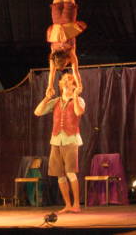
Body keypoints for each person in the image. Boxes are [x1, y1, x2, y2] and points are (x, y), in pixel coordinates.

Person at [34, 73, 85, 213]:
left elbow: (78, 112)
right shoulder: (56, 101)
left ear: (75, 85)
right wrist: (47, 97)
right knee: (59, 174)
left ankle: (76, 205)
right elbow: (37, 112)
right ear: (61, 84)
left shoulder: (79, 100)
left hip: (71, 140)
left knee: (70, 173)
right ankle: (67, 205)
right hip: (56, 140)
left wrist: (74, 96)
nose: (67, 82)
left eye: (70, 81)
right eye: (65, 80)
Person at [46, 0, 86, 99]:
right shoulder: (53, 55)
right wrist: (49, 86)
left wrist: (80, 85)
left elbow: (75, 71)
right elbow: (51, 74)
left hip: (67, 17)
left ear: (66, 60)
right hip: (57, 18)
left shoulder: (71, 54)